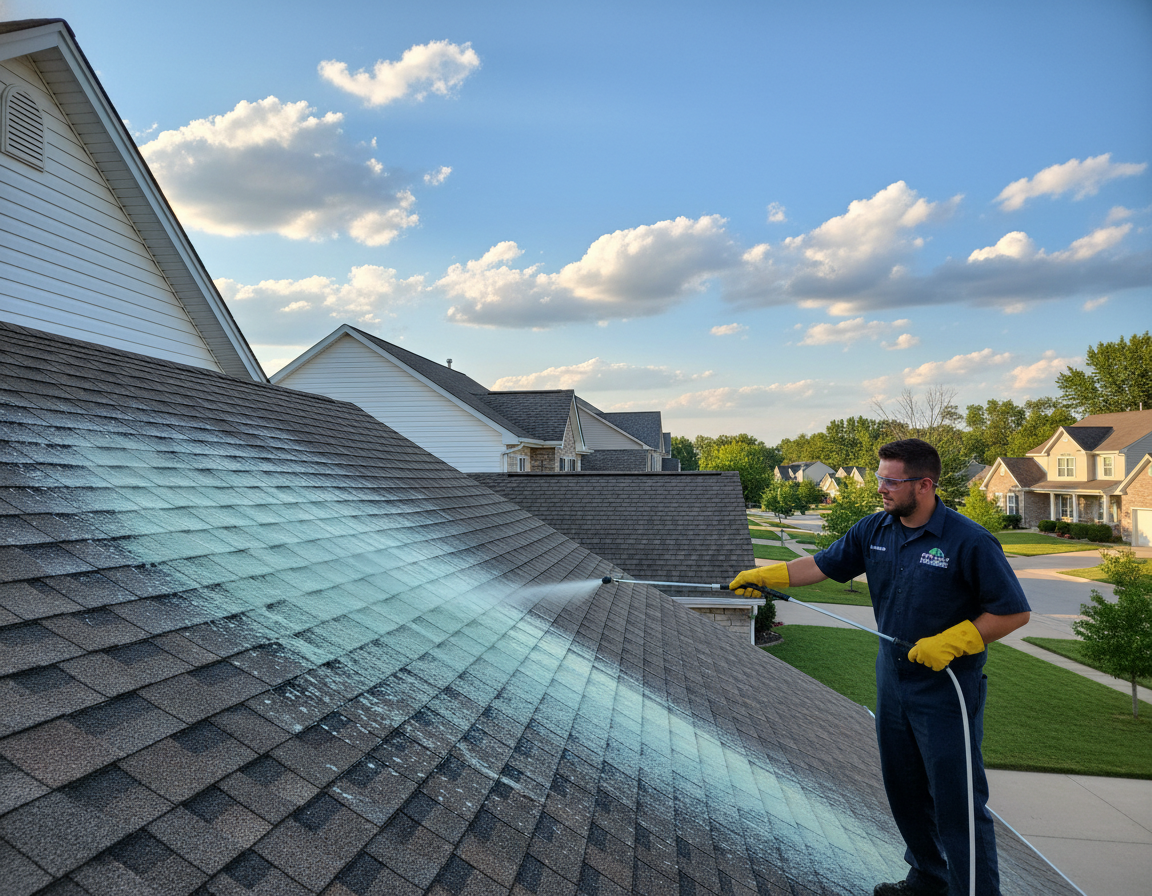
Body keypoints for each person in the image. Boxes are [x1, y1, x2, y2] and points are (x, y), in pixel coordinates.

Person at [731, 439, 1029, 896]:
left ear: (925, 485)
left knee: (957, 804)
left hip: (946, 692)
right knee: (905, 792)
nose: (881, 489)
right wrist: (767, 575)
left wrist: (956, 640)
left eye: (891, 480)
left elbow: (1012, 611)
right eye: (879, 478)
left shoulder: (969, 541)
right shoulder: (876, 529)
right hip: (893, 685)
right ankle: (929, 879)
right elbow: (825, 564)